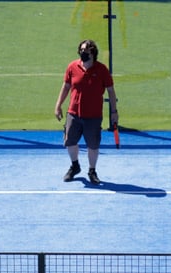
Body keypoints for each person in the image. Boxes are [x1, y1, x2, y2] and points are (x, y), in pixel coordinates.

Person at [53, 39, 118, 185]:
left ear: (93, 53)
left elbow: (111, 91)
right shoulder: (72, 67)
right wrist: (58, 105)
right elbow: (66, 87)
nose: (83, 53)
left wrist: (114, 112)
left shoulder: (102, 70)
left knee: (93, 145)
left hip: (93, 116)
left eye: (86, 51)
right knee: (69, 141)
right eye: (81, 50)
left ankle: (92, 170)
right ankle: (75, 166)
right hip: (73, 113)